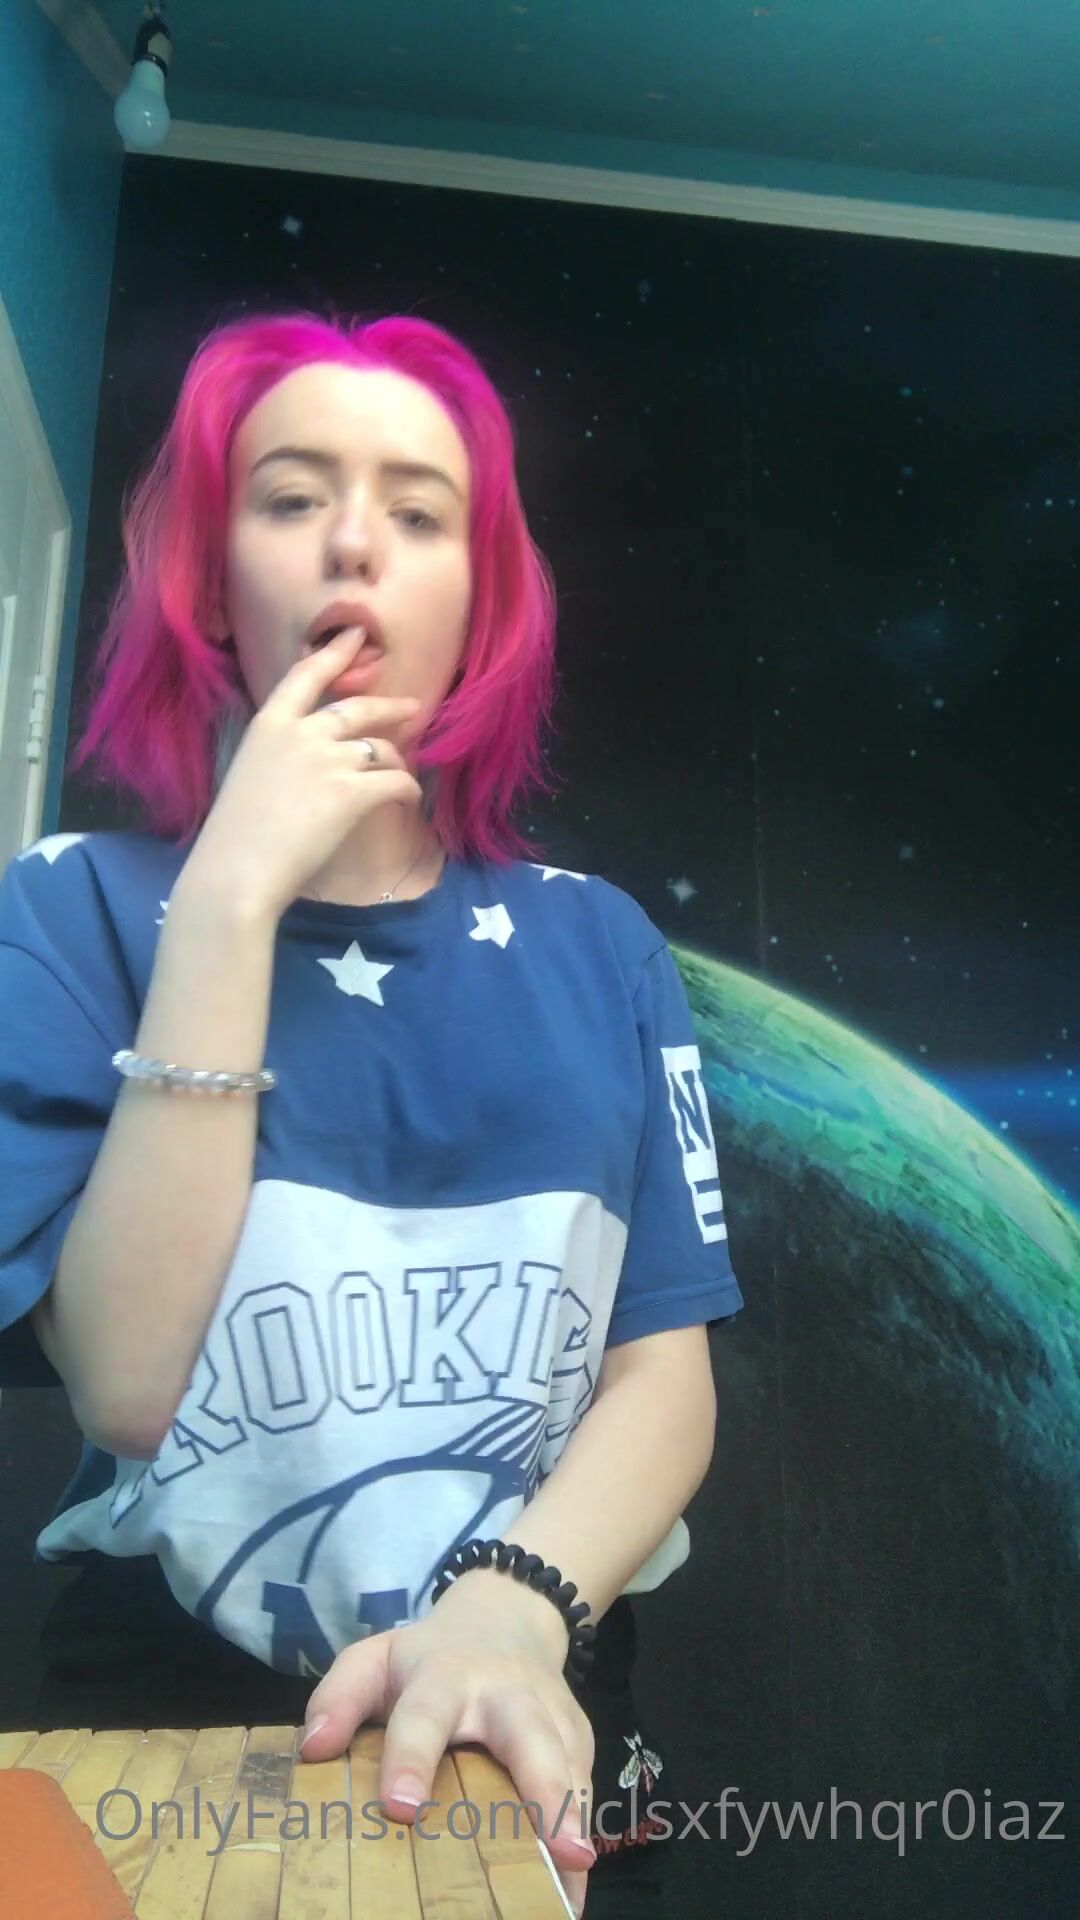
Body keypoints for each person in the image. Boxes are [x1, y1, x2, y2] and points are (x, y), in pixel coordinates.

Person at [0, 309, 744, 1915]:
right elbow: (130, 1389)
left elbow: (663, 1378)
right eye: (290, 498)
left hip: (535, 1670)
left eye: (420, 513)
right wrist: (229, 903)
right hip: (170, 1706)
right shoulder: (63, 914)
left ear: (477, 605)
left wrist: (515, 1603)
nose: (354, 542)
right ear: (213, 580)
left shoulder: (603, 944)